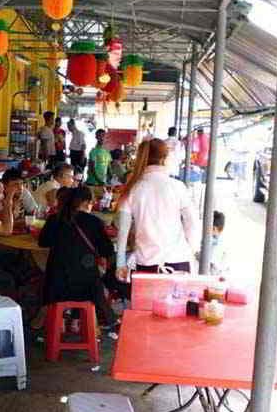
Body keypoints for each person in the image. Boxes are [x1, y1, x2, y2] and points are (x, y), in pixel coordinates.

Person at [115, 139, 200, 280]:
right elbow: (192, 224)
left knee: (147, 303)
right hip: (179, 264)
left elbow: (122, 232)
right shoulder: (178, 187)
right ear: (164, 158)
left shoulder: (132, 189)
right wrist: (190, 251)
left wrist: (120, 264)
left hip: (146, 266)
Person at [37, 186, 116, 330]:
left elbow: (43, 242)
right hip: (85, 288)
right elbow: (108, 250)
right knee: (91, 274)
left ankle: (60, 322)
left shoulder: (54, 219)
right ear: (86, 203)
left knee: (68, 270)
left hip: (56, 286)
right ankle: (76, 320)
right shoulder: (94, 222)